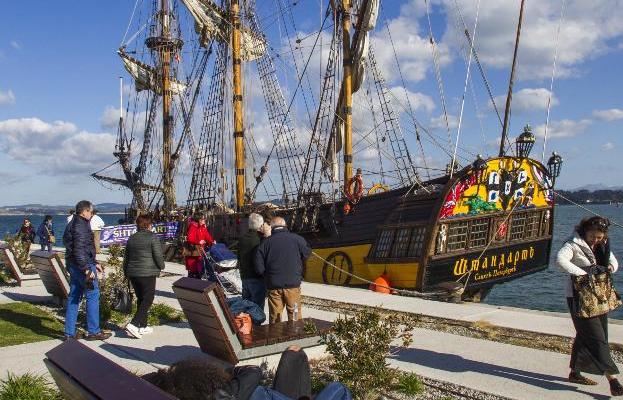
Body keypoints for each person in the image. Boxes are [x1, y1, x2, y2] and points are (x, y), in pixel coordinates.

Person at [556, 216, 623, 396]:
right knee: (596, 338)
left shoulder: (601, 244)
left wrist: (608, 268)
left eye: (599, 237)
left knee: (588, 334)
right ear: (585, 230)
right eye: (593, 236)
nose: (595, 240)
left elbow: (613, 262)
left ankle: (575, 373)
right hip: (579, 298)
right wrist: (583, 274)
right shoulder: (573, 244)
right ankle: (613, 380)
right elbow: (560, 260)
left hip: (598, 296)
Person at [143, 345, 352, 400]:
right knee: (339, 388)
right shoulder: (231, 393)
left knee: (293, 354)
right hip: (270, 395)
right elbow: (252, 371)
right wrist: (227, 370)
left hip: (273, 396)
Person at [63, 200, 111, 341]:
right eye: (91, 211)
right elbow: (79, 249)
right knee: (92, 295)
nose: (92, 214)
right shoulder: (81, 226)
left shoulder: (72, 224)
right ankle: (93, 331)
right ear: (84, 212)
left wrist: (94, 262)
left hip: (74, 265)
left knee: (74, 297)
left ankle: (69, 333)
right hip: (82, 267)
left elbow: (77, 247)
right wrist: (86, 268)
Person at [254, 216, 311, 324]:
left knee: (275, 316)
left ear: (272, 227)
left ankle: (276, 337)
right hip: (292, 284)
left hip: (274, 285)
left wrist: (267, 277)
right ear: (285, 225)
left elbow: (258, 266)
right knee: (294, 314)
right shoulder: (298, 239)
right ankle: (295, 333)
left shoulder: (265, 243)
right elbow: (307, 254)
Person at [123, 214, 165, 339]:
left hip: (133, 272)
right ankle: (134, 324)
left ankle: (143, 325)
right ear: (148, 225)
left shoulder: (132, 238)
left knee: (141, 298)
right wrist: (161, 266)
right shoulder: (153, 237)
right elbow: (158, 255)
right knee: (148, 298)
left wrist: (126, 271)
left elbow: (127, 257)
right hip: (147, 272)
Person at [239, 213, 267, 309]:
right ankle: (256, 324)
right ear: (260, 225)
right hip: (257, 278)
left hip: (245, 277)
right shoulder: (260, 239)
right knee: (257, 310)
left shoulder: (242, 239)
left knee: (246, 308)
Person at [185, 212, 215, 279]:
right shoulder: (193, 226)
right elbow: (190, 238)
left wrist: (212, 241)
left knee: (200, 270)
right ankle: (191, 286)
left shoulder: (202, 227)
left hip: (200, 252)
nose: (204, 220)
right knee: (194, 271)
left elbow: (207, 236)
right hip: (194, 252)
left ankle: (196, 284)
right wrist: (199, 241)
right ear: (199, 220)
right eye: (203, 219)